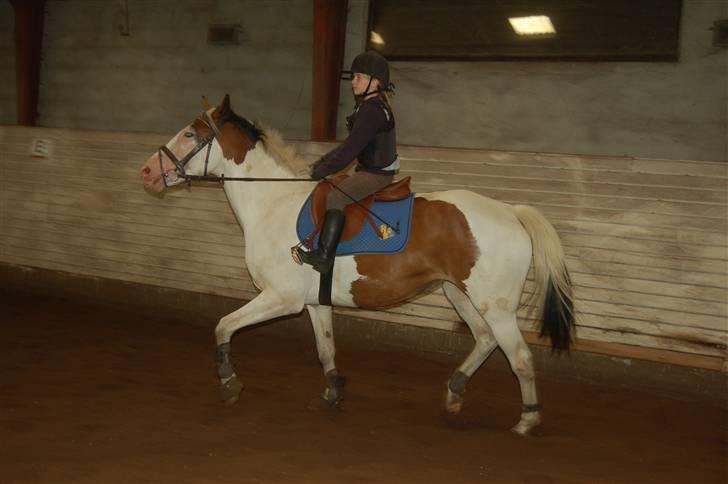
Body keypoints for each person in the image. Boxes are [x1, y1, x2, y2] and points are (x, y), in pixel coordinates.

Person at [298, 50, 399, 273]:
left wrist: (320, 170)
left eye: (359, 77)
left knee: (335, 197)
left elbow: (350, 150)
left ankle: (324, 257)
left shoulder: (371, 110)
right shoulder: (372, 106)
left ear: (375, 82)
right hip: (371, 170)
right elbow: (348, 146)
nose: (354, 82)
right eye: (353, 77)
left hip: (375, 175)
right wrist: (320, 164)